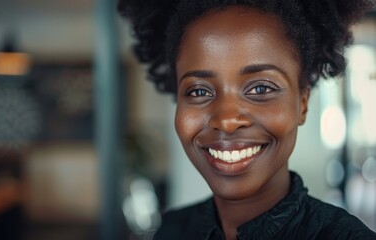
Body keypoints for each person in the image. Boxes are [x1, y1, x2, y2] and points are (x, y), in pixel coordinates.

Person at [118, 0, 376, 239]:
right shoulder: (173, 230)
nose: (227, 121)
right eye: (198, 91)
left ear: (303, 103)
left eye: (261, 88)